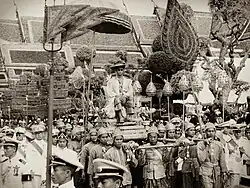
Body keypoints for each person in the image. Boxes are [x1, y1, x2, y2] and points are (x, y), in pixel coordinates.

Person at [197, 122, 227, 188]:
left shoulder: (219, 144)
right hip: (205, 170)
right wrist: (206, 145)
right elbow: (201, 159)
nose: (211, 133)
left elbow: (222, 159)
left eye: (213, 131)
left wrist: (224, 171)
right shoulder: (200, 144)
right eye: (209, 131)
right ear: (206, 132)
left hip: (216, 170)